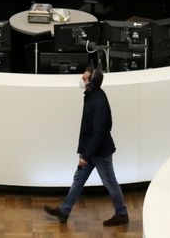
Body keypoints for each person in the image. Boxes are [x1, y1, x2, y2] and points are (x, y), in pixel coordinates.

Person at [43, 65, 129, 227]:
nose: (81, 80)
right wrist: (84, 152)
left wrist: (85, 156)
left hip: (100, 152)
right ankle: (64, 211)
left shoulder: (98, 101)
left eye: (84, 78)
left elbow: (99, 132)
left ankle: (122, 213)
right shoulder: (92, 95)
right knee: (78, 179)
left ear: (92, 83)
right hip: (91, 150)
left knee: (110, 182)